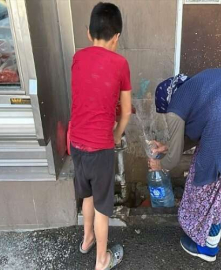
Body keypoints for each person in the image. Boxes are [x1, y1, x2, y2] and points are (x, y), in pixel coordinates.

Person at [149, 69, 221, 262]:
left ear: (166, 104)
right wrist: (168, 147)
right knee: (216, 189)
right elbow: (197, 132)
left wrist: (159, 164)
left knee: (202, 187)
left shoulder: (174, 108)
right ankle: (211, 239)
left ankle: (206, 247)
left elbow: (174, 158)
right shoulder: (192, 88)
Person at [70, 2, 132, 269]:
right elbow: (126, 111)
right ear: (116, 37)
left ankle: (86, 241)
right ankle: (102, 261)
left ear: (88, 33)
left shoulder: (77, 57)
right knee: (102, 209)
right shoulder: (120, 63)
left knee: (87, 196)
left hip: (76, 144)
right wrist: (116, 135)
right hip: (100, 148)